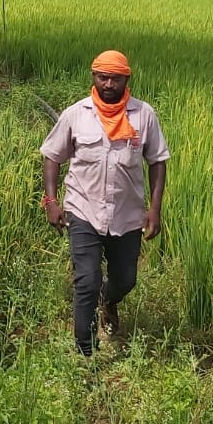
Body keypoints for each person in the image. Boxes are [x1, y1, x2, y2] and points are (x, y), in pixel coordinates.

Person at [40, 50, 169, 356]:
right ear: (93, 78)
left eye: (116, 78)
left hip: (126, 214)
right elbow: (52, 156)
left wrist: (154, 208)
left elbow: (158, 160)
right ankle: (86, 353)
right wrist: (51, 200)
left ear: (127, 79)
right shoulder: (77, 114)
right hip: (83, 209)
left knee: (125, 279)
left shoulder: (143, 115)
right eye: (103, 77)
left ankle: (108, 300)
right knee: (86, 280)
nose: (109, 84)